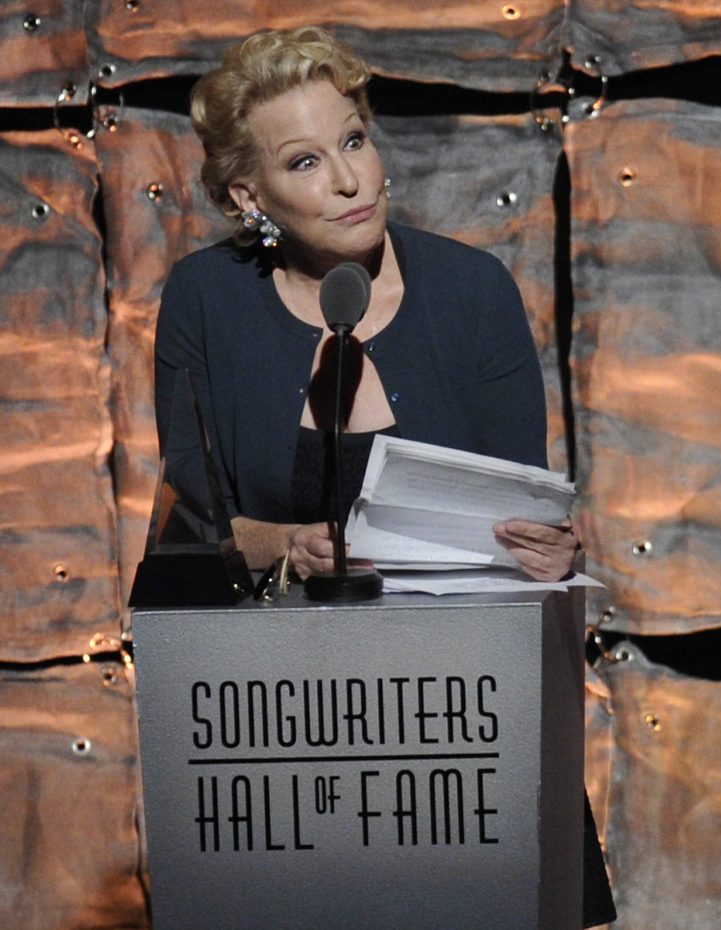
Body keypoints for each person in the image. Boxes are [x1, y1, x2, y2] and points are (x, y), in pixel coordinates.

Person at [154, 28, 615, 926]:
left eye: (355, 139)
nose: (350, 179)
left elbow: (522, 502)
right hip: (286, 732)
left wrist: (549, 549)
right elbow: (193, 530)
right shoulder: (204, 301)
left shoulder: (475, 291)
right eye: (306, 161)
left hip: (465, 726)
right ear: (251, 195)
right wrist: (282, 544)